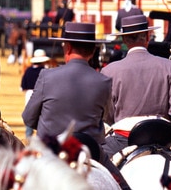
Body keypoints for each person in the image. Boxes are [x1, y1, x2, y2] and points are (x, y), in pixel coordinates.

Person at [22, 22, 120, 179]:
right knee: (121, 184)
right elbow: (106, 117)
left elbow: (28, 117)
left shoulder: (46, 76)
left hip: (49, 149)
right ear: (93, 51)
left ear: (67, 48)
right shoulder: (104, 81)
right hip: (89, 150)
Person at [101, 14, 171, 157]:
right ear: (147, 36)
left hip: (123, 138)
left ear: (124, 39)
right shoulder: (170, 66)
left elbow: (107, 116)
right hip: (161, 135)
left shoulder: (109, 71)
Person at [20, 49, 49, 139]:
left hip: (29, 95)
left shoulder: (28, 70)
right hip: (42, 95)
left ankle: (28, 137)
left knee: (30, 116)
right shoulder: (45, 71)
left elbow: (22, 87)